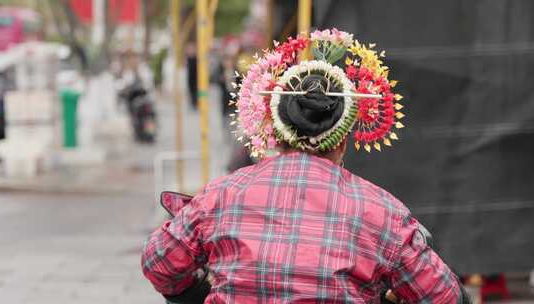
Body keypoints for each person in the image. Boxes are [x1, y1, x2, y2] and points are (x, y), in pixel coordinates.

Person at [141, 29, 471, 303]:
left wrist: (197, 292)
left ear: (274, 130)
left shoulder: (222, 194)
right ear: (342, 141)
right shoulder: (381, 212)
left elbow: (159, 263)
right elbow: (445, 297)